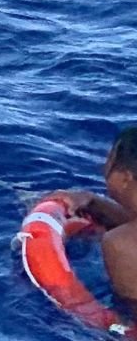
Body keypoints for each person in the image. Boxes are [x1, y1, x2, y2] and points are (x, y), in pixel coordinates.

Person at [50, 127, 137, 314]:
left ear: (126, 178)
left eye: (109, 162)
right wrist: (92, 201)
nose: (102, 169)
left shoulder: (120, 243)